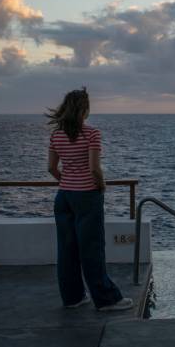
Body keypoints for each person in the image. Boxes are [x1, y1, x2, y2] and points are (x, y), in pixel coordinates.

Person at [46, 87, 133, 311]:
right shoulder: (92, 133)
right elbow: (95, 168)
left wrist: (67, 181)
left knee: (66, 249)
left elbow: (51, 168)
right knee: (92, 248)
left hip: (63, 197)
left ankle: (73, 298)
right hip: (87, 196)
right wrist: (101, 186)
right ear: (84, 109)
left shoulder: (56, 134)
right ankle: (106, 300)